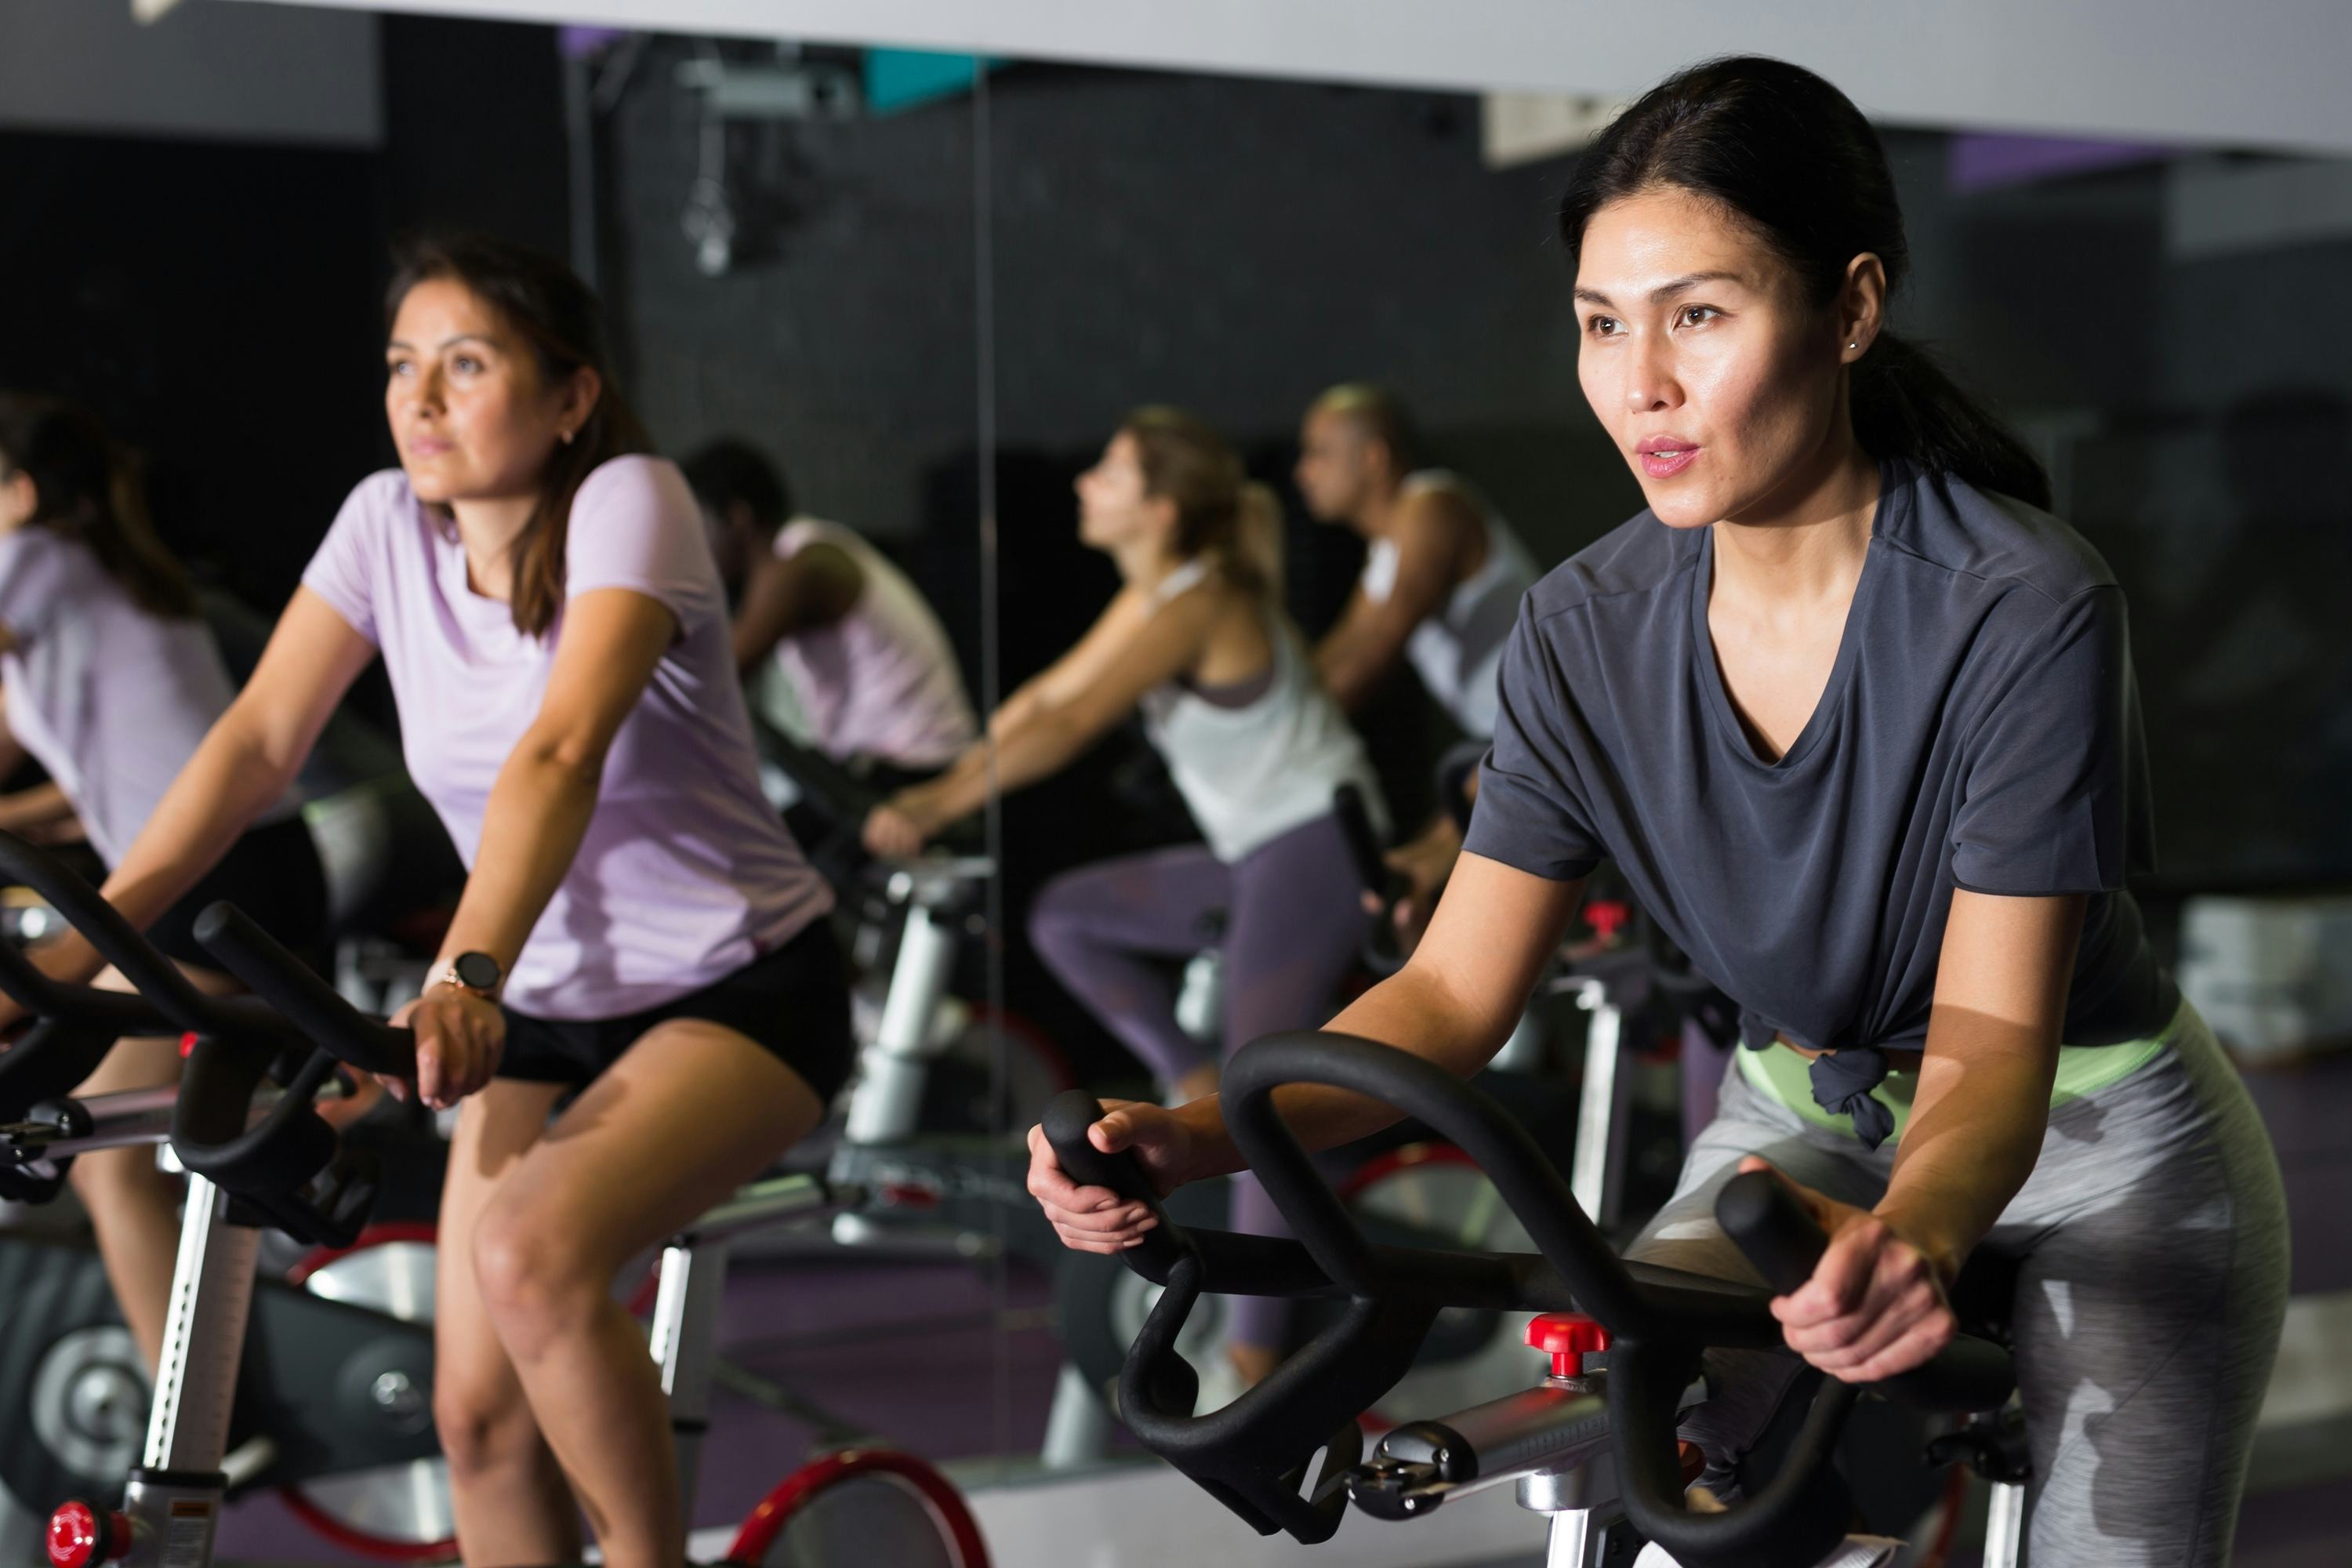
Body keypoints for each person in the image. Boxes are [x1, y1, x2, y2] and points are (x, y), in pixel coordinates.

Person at [1028, 57, 2287, 1568]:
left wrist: (1923, 1236)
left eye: (1699, 314)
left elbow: (1994, 1042)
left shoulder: (2020, 605)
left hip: (2099, 1143)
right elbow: (1446, 993)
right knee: (1644, 1433)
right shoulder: (1582, 629)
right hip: (1799, 1130)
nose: (1642, 383)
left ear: (1851, 308)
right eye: (1601, 324)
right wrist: (1191, 1134)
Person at [8, 237, 850, 1568]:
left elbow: (560, 749)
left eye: (468, 364)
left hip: (735, 985)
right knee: (473, 1423)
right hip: (550, 1005)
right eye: (405, 366)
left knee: (527, 1257)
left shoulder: (631, 501)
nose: (422, 398)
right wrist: (85, 938)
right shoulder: (382, 525)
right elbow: (254, 745)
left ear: (570, 395)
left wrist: (467, 972)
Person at [864, 407, 1385, 1386]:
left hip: (1316, 845)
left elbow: (1070, 724)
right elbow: (1042, 700)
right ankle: (1191, 1076)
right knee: (1068, 915)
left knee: (1259, 1097)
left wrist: (933, 803)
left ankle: (1253, 1358)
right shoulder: (1156, 592)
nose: (1084, 483)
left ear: (1160, 505)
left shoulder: (1201, 597)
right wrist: (932, 790)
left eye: (1109, 469)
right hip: (1256, 849)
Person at [0, 392, 330, 1375]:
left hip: (215, 881)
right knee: (107, 1142)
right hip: (246, 865)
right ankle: (204, 1391)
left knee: (74, 1102)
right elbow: (72, 777)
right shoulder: (98, 580)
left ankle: (200, 1400)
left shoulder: (39, 562)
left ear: (19, 491)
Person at [1294, 384, 1539, 940]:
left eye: (1319, 453)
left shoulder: (1433, 506)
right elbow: (1337, 655)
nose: (1303, 472)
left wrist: (1270, 738)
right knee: (1412, 881)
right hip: (1509, 743)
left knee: (1428, 886)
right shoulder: (1385, 549)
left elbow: (1374, 652)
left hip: (1550, 732)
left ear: (1374, 457)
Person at [683, 435, 976, 786]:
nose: (691, 545)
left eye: (697, 525)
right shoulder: (801, 552)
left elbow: (720, 671)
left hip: (917, 766)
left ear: (737, 517)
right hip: (882, 763)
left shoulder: (803, 566)